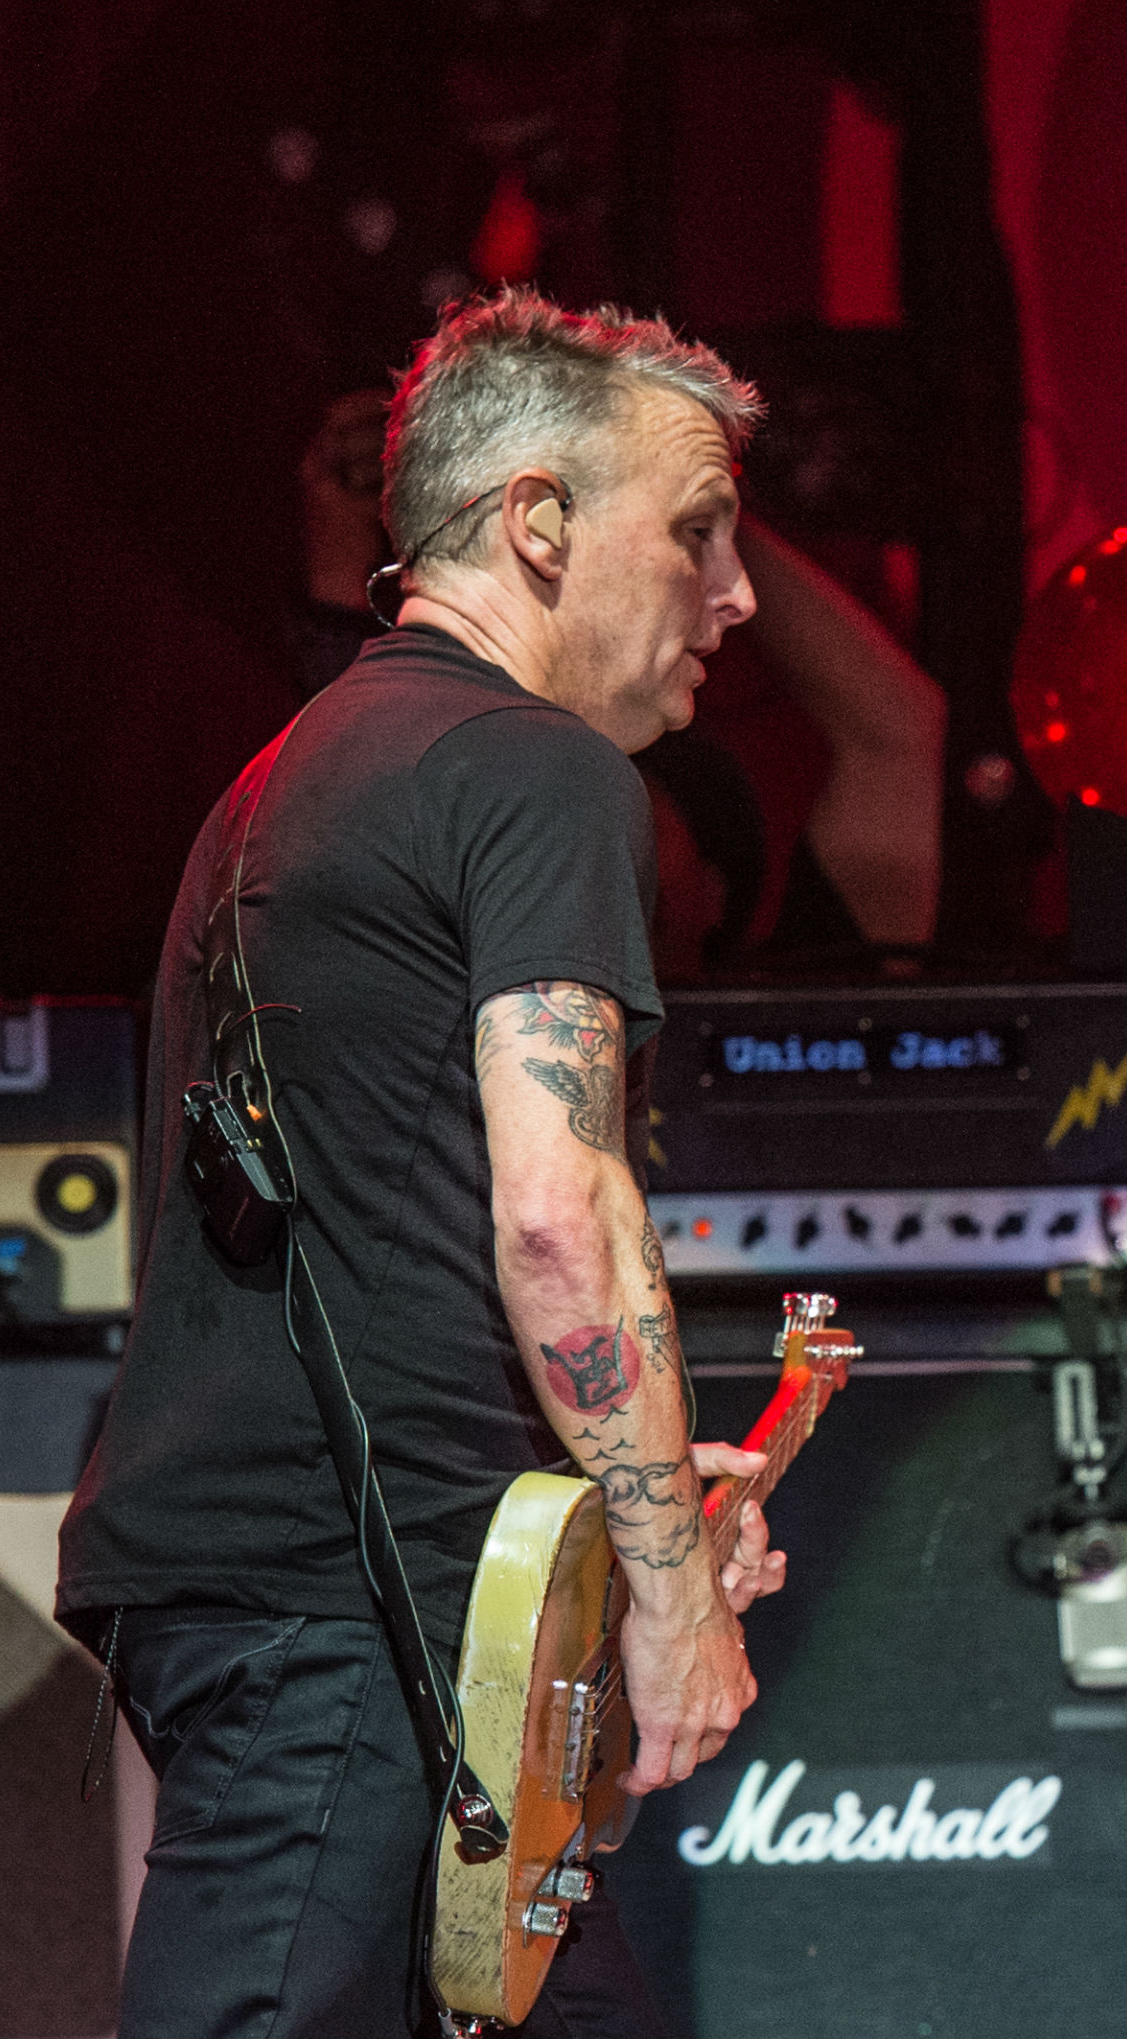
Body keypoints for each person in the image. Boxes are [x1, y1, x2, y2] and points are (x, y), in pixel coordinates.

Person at [59, 289, 796, 2037]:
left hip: (361, 1593)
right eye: (695, 531)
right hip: (344, 1612)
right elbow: (560, 1214)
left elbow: (375, 1221)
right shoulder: (533, 773)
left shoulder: (295, 770)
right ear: (538, 521)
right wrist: (673, 1590)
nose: (739, 594)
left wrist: (611, 1484)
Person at [295, 382, 948, 972]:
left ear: (712, 893)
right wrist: (341, 557)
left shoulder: (787, 1032)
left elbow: (898, 731)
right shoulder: (444, 1040)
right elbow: (349, 825)